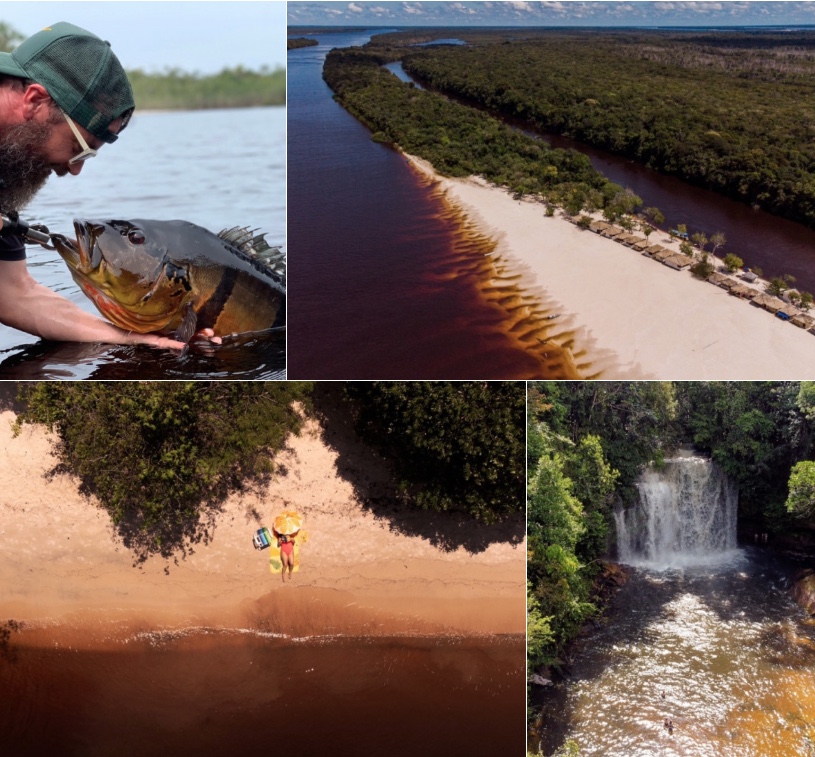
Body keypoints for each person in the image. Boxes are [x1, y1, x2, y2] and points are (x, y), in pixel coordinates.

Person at [0, 22, 216, 348]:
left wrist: (131, 338)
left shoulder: (8, 164)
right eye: (78, 148)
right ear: (35, 101)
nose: (75, 169)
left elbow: (14, 293)